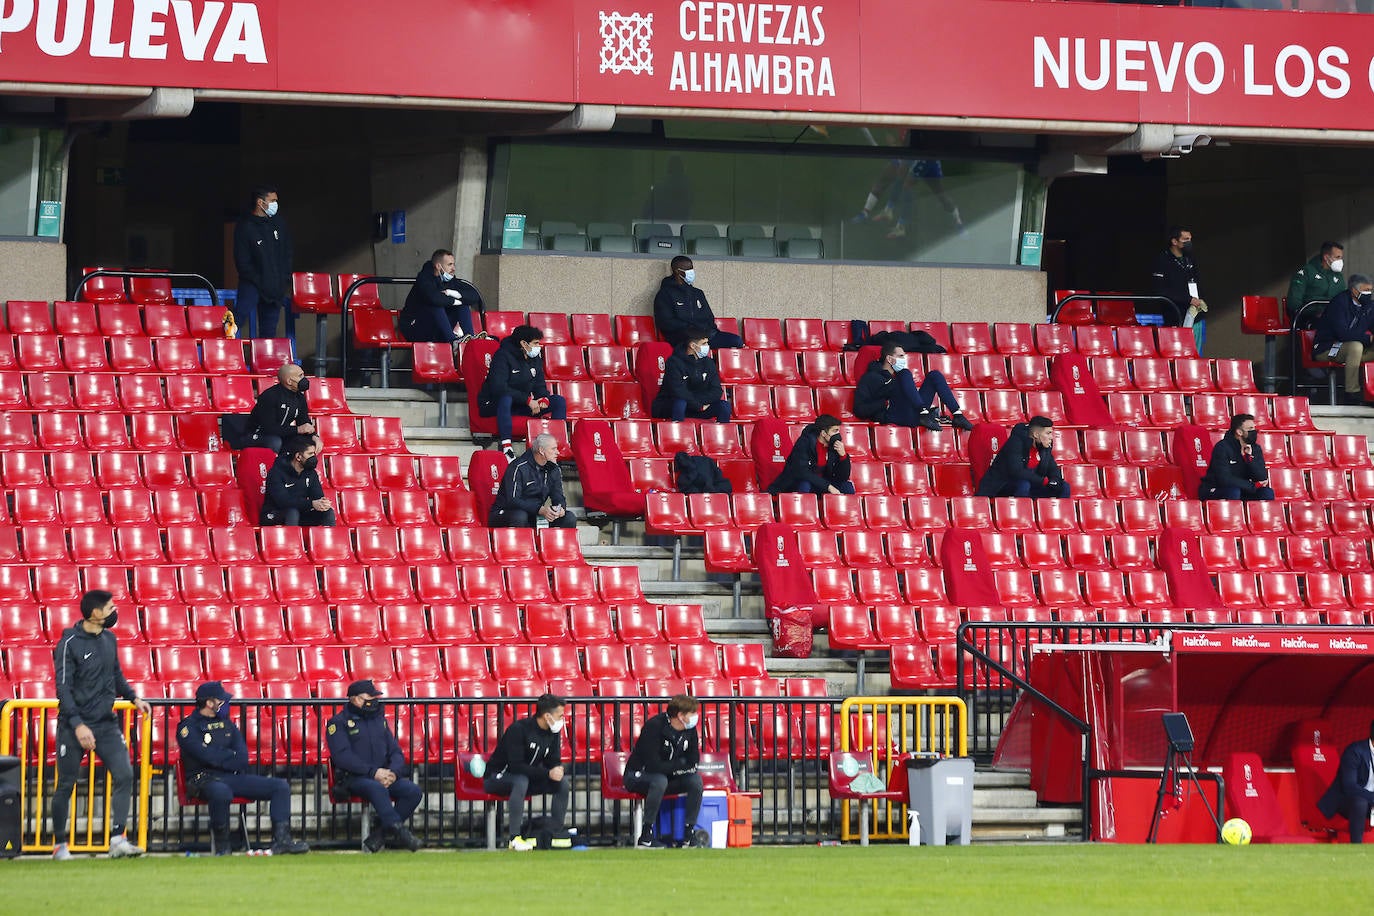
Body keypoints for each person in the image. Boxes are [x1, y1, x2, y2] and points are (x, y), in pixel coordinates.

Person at [50, 590, 149, 861]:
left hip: (105, 724)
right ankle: (59, 844)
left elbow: (115, 674)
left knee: (125, 775)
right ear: (95, 613)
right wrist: (78, 725)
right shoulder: (68, 643)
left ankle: (118, 839)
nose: (114, 611)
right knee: (66, 784)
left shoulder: (109, 639)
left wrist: (133, 697)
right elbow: (64, 688)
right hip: (74, 726)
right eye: (110, 607)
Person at [176, 681, 310, 856]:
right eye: (221, 701)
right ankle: (223, 846)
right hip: (204, 779)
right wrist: (226, 756)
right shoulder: (188, 727)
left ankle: (282, 840)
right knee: (221, 792)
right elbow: (203, 755)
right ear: (209, 703)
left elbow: (241, 757)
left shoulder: (228, 725)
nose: (225, 704)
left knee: (280, 786)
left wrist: (219, 757)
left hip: (231, 776)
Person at [325, 680, 423, 853]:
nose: (374, 701)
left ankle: (379, 836)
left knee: (413, 791)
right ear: (355, 699)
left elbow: (395, 751)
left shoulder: (379, 721)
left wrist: (393, 772)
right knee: (376, 789)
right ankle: (401, 833)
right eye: (369, 697)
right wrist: (373, 772)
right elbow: (343, 757)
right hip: (354, 778)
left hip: (383, 776)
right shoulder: (338, 723)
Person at [482, 693, 570, 851]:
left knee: (562, 784)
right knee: (520, 780)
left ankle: (555, 831)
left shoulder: (553, 733)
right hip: (497, 777)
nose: (562, 719)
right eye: (560, 715)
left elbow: (553, 760)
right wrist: (547, 773)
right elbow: (516, 766)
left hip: (528, 779)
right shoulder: (519, 729)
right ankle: (514, 838)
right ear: (547, 716)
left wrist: (557, 769)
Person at [624, 694, 705, 849]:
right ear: (680, 716)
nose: (696, 717)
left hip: (669, 777)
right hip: (638, 776)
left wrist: (679, 767)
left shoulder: (690, 730)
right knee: (659, 780)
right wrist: (680, 765)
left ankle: (689, 834)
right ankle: (646, 835)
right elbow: (653, 766)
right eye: (692, 713)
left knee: (695, 781)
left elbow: (693, 760)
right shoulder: (654, 727)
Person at [477, 324, 567, 459]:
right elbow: (499, 387)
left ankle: (554, 447)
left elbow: (539, 384)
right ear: (524, 343)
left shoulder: (535, 358)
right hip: (495, 404)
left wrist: (543, 398)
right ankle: (507, 448)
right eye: (536, 343)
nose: (538, 346)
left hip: (521, 404)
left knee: (558, 401)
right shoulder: (502, 356)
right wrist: (528, 400)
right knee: (505, 398)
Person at [852, 341, 974, 432]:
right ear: (889, 358)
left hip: (913, 412)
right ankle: (923, 413)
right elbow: (859, 409)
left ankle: (957, 414)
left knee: (934, 375)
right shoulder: (870, 377)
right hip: (894, 415)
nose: (903, 359)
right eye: (900, 356)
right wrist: (884, 403)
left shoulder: (898, 376)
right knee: (905, 373)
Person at [232, 184, 293, 338]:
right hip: (252, 284)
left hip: (275, 288)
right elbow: (242, 262)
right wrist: (259, 280)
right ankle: (221, 357)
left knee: (269, 333)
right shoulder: (245, 227)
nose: (275, 204)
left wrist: (283, 278)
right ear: (260, 202)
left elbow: (287, 253)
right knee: (236, 321)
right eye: (272, 200)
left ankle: (266, 362)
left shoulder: (279, 224)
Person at [398, 249, 487, 349]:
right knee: (436, 305)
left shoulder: (450, 280)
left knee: (463, 303)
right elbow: (434, 299)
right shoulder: (424, 279)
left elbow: (474, 295)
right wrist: (453, 301)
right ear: (438, 266)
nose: (453, 268)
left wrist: (453, 293)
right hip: (415, 328)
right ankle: (453, 343)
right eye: (449, 265)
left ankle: (470, 339)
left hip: (436, 329)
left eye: (454, 264)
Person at [652, 256, 744, 350]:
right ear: (677, 271)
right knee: (696, 345)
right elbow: (665, 322)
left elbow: (709, 318)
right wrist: (690, 327)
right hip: (682, 337)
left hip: (705, 334)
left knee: (736, 341)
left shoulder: (697, 293)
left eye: (691, 268)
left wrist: (706, 330)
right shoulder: (665, 294)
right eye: (687, 269)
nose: (691, 272)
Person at [488, 433, 576, 529]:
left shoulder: (554, 469)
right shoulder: (518, 467)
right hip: (505, 513)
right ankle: (521, 544)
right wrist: (540, 509)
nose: (558, 452)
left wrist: (560, 509)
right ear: (541, 450)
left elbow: (558, 496)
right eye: (553, 449)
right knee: (520, 516)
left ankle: (553, 544)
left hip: (534, 514)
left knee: (569, 517)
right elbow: (513, 501)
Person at [1311, 273, 1374, 406]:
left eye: (1371, 290)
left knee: (1357, 347)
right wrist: (1369, 338)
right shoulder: (1339, 303)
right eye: (1366, 290)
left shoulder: (1369, 305)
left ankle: (1371, 394)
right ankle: (1351, 394)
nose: (1369, 293)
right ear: (1354, 290)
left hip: (1353, 352)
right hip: (1327, 348)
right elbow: (1343, 334)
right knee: (1355, 346)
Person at [974, 416, 1069, 500]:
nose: (1051, 437)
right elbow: (1017, 472)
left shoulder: (1045, 447)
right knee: (1023, 485)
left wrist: (1055, 481)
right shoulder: (1016, 443)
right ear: (1036, 434)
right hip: (1001, 487)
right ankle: (1022, 518)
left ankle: (1059, 518)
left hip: (1031, 485)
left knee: (1064, 487)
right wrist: (1043, 481)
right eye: (1048, 433)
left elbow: (1053, 469)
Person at [651, 332, 731, 423]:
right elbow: (678, 391)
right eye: (704, 343)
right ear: (693, 345)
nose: (707, 346)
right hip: (672, 405)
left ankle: (720, 436)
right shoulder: (674, 362)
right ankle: (678, 434)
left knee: (724, 406)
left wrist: (698, 403)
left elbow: (717, 390)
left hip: (697, 405)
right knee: (680, 403)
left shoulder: (709, 363)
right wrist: (698, 405)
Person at [767, 414, 854, 496]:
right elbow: (802, 472)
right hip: (796, 483)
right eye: (835, 431)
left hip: (821, 484)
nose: (838, 434)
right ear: (823, 433)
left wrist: (843, 457)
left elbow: (842, 477)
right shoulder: (804, 443)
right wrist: (828, 487)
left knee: (847, 486)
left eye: (838, 430)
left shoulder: (834, 446)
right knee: (805, 484)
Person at [1318, 719, 1374, 844]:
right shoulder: (1355, 751)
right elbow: (1349, 787)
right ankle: (1356, 847)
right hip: (1346, 801)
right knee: (1360, 802)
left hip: (1370, 802)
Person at [260, 435, 335, 526]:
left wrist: (322, 503)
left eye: (314, 454)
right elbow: (283, 501)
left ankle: (326, 540)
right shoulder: (276, 473)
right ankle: (292, 540)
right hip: (274, 513)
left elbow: (317, 497)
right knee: (292, 513)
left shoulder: (311, 473)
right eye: (310, 454)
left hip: (299, 513)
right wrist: (311, 504)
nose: (314, 458)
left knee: (328, 512)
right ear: (298, 456)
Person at [1198, 414, 1273, 502]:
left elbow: (1262, 477)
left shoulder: (1255, 448)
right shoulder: (1222, 447)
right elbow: (1224, 479)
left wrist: (1249, 458)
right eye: (1250, 429)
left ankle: (1257, 516)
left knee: (1267, 493)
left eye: (1254, 428)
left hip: (1242, 489)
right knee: (1233, 492)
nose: (1254, 431)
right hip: (1215, 488)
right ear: (1239, 432)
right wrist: (1251, 486)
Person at [1150, 225, 1208, 334]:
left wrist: (1200, 299)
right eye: (1185, 239)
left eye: (1190, 239)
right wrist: (1187, 299)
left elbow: (1197, 282)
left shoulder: (1190, 259)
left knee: (1196, 349)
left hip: (1196, 313)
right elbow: (1160, 291)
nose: (1189, 242)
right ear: (1174, 241)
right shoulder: (1162, 260)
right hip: (1174, 314)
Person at [248, 362, 315, 454]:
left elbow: (304, 421)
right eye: (300, 376)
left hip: (282, 433)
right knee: (275, 442)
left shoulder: (300, 397)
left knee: (307, 443)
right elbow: (268, 428)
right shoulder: (269, 396)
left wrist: (314, 437)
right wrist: (297, 429)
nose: (304, 379)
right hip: (258, 434)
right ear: (289, 381)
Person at [1286, 241, 1345, 321]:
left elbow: (1344, 299)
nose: (1340, 261)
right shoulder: (1306, 272)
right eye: (1337, 257)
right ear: (1326, 257)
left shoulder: (1338, 276)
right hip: (1308, 318)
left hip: (1333, 317)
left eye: (1341, 257)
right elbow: (1293, 302)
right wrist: (1314, 313)